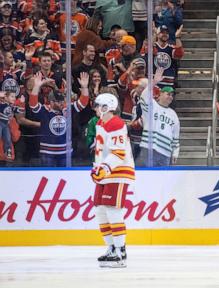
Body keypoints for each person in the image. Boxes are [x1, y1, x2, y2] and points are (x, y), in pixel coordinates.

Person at [91, 92, 135, 268]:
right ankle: (111, 247)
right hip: (106, 172)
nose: (95, 108)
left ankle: (120, 251)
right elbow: (102, 150)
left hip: (118, 171)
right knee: (100, 210)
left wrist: (104, 169)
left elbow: (119, 153)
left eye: (97, 105)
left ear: (105, 107)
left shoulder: (116, 123)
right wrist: (97, 168)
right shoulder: (101, 123)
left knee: (112, 209)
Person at [29, 71, 89, 167]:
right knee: (48, 176)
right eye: (58, 101)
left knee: (66, 178)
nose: (61, 103)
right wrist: (36, 86)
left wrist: (85, 87)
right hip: (47, 152)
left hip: (65, 151)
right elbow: (33, 104)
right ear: (51, 102)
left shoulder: (66, 110)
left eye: (62, 101)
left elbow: (83, 103)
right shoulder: (45, 110)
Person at [136, 69, 180, 166]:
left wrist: (175, 152)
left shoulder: (173, 115)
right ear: (160, 94)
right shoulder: (152, 106)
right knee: (145, 177)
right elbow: (144, 96)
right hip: (148, 148)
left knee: (162, 180)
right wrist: (154, 81)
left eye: (172, 95)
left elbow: (175, 136)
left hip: (165, 153)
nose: (170, 97)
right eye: (168, 94)